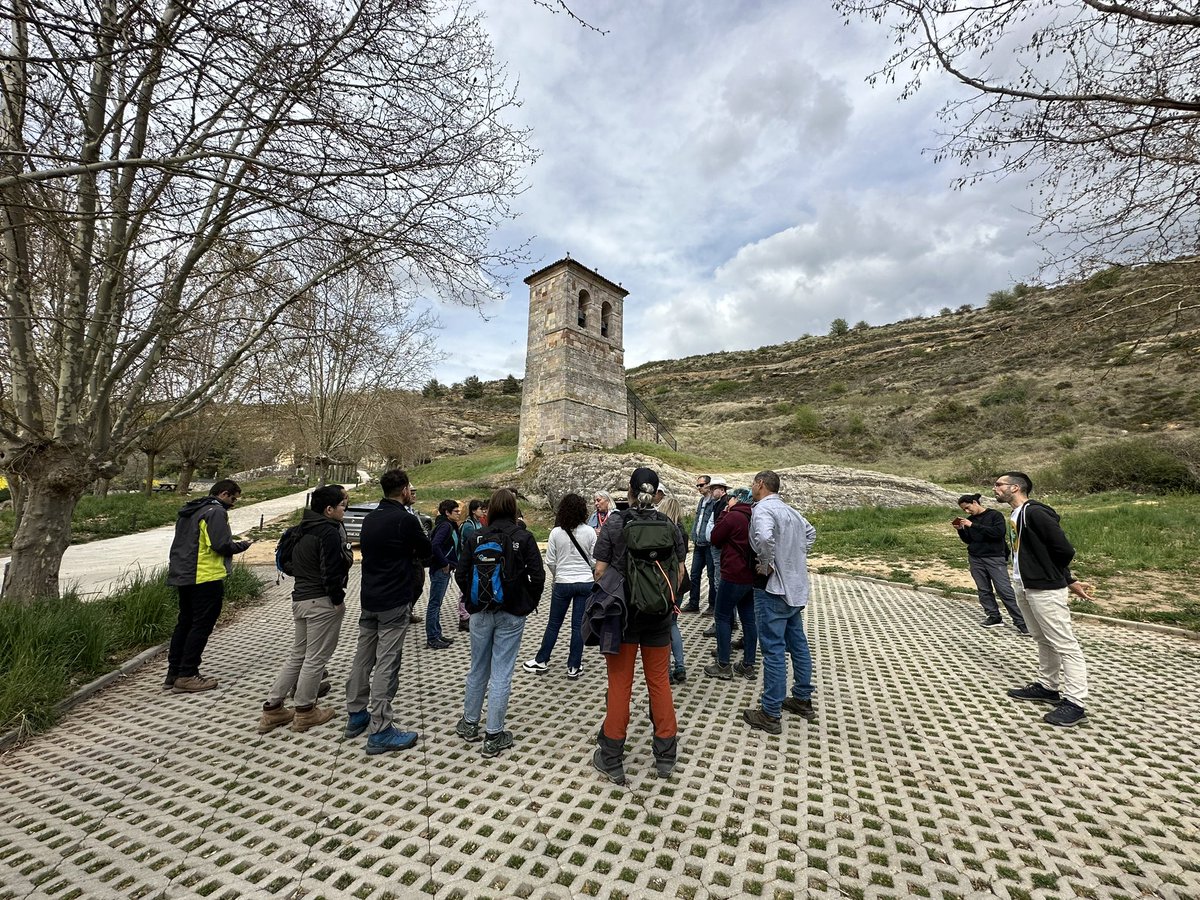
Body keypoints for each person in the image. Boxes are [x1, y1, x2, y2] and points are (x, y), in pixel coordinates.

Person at [591, 466, 686, 784]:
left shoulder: (615, 522)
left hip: (623, 619)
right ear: (656, 494)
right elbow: (680, 574)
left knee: (620, 686)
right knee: (659, 683)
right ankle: (665, 755)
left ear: (629, 492)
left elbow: (600, 573)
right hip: (659, 619)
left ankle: (612, 756)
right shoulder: (669, 526)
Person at [994, 472, 1094, 728]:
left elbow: (1063, 549)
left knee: (1064, 644)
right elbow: (1041, 552)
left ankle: (1075, 703)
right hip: (1025, 585)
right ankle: (1048, 687)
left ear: (1015, 488)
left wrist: (1057, 577)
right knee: (1041, 638)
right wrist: (1070, 580)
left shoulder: (1035, 512)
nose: (995, 488)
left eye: (999, 484)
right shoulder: (1015, 515)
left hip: (1044, 589)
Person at [344, 469, 430, 754]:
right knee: (387, 663)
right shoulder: (404, 519)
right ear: (405, 489)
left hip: (369, 597)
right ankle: (381, 729)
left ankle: (356, 715)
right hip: (394, 600)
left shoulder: (370, 519)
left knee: (363, 658)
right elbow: (426, 549)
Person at [455, 488, 545, 757]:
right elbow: (538, 577)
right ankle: (494, 734)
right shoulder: (523, 537)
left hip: (480, 612)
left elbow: (462, 573)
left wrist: (472, 602)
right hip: (512, 612)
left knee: (477, 667)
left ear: (491, 509)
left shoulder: (475, 536)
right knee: (502, 672)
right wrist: (527, 602)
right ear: (514, 508)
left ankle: (470, 723)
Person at [257, 485, 351, 733]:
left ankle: (273, 708)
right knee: (315, 658)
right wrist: (337, 598)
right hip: (321, 602)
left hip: (300, 599)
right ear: (329, 509)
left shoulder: (300, 529)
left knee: (298, 655)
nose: (345, 510)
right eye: (343, 506)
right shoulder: (328, 533)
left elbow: (288, 564)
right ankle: (305, 711)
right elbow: (331, 570)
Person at [743, 470, 817, 734]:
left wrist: (766, 563)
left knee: (773, 650)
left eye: (753, 483)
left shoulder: (762, 510)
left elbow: (763, 538)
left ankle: (770, 711)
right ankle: (802, 698)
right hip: (795, 589)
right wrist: (792, 556)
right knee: (798, 644)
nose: (752, 487)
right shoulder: (792, 512)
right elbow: (811, 534)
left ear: (761, 484)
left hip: (773, 589)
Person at [165, 479, 252, 692]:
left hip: (183, 575)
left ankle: (173, 673)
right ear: (224, 494)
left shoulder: (190, 511)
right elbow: (221, 545)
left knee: (184, 623)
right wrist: (243, 545)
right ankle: (188, 675)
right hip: (205, 576)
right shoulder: (215, 512)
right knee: (201, 625)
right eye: (233, 499)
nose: (233, 504)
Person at [523, 492, 596, 678]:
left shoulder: (556, 532)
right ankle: (574, 666)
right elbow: (595, 560)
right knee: (578, 625)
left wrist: (558, 576)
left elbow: (550, 561)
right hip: (585, 581)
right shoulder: (589, 532)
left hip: (563, 582)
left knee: (554, 624)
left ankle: (541, 660)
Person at [954, 493, 1028, 633]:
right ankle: (993, 616)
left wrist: (973, 525)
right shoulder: (969, 521)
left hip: (995, 557)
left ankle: (1021, 622)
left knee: (1004, 590)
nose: (967, 512)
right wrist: (961, 531)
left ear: (975, 502)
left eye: (968, 508)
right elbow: (969, 540)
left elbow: (998, 533)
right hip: (975, 558)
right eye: (964, 510)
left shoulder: (994, 515)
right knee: (984, 590)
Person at [707, 488, 758, 681]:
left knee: (722, 617)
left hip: (733, 574)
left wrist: (724, 514)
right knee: (749, 620)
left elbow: (715, 538)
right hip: (750, 576)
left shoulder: (732, 516)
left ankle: (723, 664)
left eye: (731, 498)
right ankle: (748, 664)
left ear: (737, 499)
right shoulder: (755, 516)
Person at [656, 496, 689, 684]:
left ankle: (666, 669)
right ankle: (680, 666)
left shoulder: (662, 531)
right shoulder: (682, 532)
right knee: (673, 624)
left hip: (665, 582)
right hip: (681, 584)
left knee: (662, 628)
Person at [426, 499, 461, 649]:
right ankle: (432, 637)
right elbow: (435, 545)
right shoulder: (445, 526)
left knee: (437, 603)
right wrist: (444, 562)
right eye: (456, 511)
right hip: (440, 569)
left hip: (443, 569)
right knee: (434, 604)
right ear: (447, 513)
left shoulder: (448, 525)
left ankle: (437, 633)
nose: (459, 514)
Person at [683, 475, 720, 614]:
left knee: (711, 576)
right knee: (694, 574)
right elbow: (698, 520)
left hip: (709, 544)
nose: (699, 488)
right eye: (697, 485)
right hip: (698, 543)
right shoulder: (701, 501)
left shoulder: (715, 502)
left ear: (709, 485)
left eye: (701, 485)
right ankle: (693, 603)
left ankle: (712, 605)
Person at [456, 499, 487, 632]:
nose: (483, 511)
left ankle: (469, 614)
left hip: (476, 561)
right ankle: (464, 617)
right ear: (474, 510)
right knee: (465, 589)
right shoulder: (469, 526)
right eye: (480, 509)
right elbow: (473, 544)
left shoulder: (478, 523)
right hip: (468, 561)